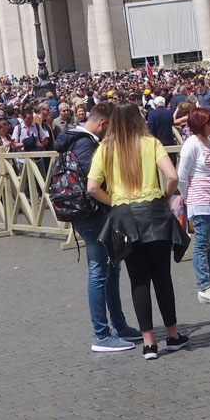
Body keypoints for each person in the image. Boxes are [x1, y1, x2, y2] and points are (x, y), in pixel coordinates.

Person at [86, 100, 185, 362]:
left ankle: (149, 343)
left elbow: (92, 187)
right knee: (162, 277)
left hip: (124, 217)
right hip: (153, 212)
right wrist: (165, 197)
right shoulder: (150, 142)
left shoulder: (104, 148)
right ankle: (173, 336)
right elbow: (173, 175)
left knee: (138, 280)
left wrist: (115, 203)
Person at [54, 107, 140, 353]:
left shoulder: (72, 140)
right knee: (99, 271)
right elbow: (94, 184)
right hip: (93, 214)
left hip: (88, 213)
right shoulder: (86, 145)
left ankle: (119, 326)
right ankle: (101, 334)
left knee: (112, 268)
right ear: (103, 124)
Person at [175, 108, 210, 302]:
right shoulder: (191, 144)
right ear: (200, 124)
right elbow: (181, 175)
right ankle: (203, 286)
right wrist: (186, 196)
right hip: (200, 199)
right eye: (209, 122)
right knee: (201, 244)